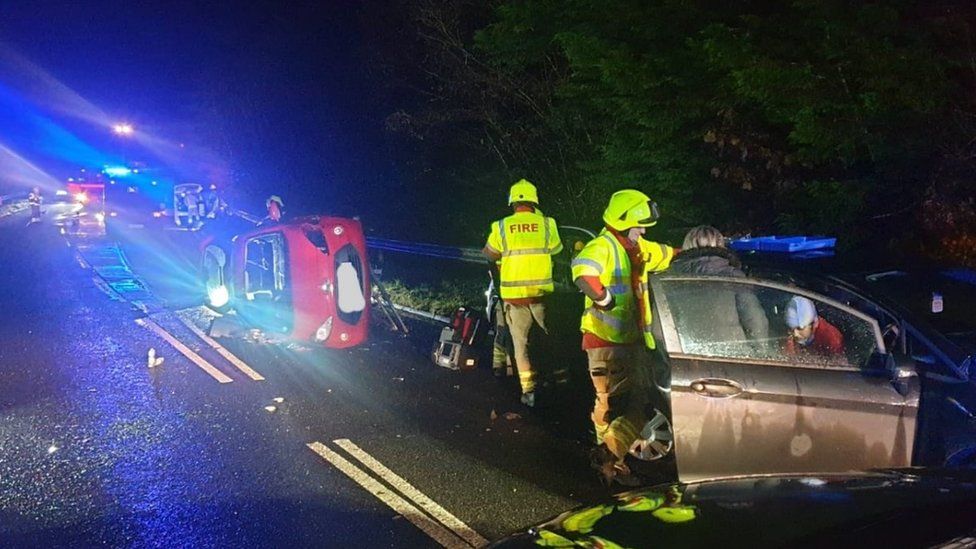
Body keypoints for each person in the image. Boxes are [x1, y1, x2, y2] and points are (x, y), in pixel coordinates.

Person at [571, 189, 674, 486]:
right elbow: (582, 273)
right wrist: (604, 300)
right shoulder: (602, 246)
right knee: (630, 405)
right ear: (623, 221)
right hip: (609, 343)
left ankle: (608, 461)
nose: (642, 231)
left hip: (622, 343)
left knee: (610, 406)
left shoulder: (637, 247)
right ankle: (608, 457)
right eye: (639, 225)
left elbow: (667, 254)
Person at [483, 179, 563, 407]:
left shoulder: (501, 226)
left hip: (515, 299)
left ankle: (530, 391)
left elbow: (489, 254)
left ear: (512, 202)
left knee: (521, 345)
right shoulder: (548, 224)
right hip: (542, 296)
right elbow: (557, 249)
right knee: (550, 340)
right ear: (534, 200)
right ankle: (560, 381)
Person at [668, 225, 769, 348]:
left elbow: (662, 325)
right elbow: (755, 321)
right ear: (720, 244)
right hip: (731, 357)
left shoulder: (671, 278)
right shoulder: (733, 276)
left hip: (687, 355)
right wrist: (762, 353)